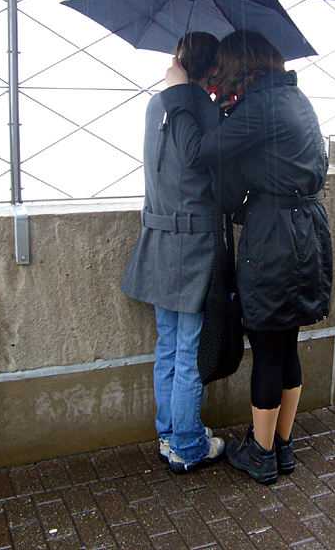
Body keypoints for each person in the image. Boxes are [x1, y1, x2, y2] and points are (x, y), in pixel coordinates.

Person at [161, 30, 333, 485]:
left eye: (224, 67)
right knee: (287, 345)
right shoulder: (292, 98)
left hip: (275, 239)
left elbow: (199, 153)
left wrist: (178, 94)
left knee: (268, 351)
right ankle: (281, 445)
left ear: (241, 64)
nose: (219, 74)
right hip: (306, 230)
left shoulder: (260, 106)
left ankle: (259, 455)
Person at [121, 32, 225, 473]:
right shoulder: (203, 110)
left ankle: (169, 433)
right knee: (188, 349)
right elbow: (216, 175)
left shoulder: (154, 104)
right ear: (214, 68)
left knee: (167, 344)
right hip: (193, 244)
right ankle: (186, 444)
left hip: (158, 238)